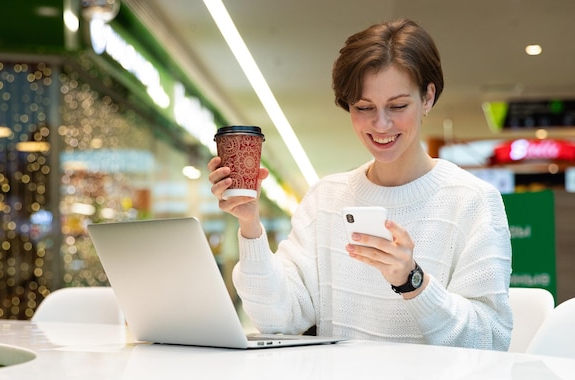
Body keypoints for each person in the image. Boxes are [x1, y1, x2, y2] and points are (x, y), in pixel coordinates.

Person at [208, 18, 513, 350]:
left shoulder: (473, 200)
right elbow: (280, 319)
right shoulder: (326, 198)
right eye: (364, 107)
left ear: (427, 97)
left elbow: (491, 340)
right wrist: (250, 224)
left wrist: (413, 282)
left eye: (398, 106)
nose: (380, 125)